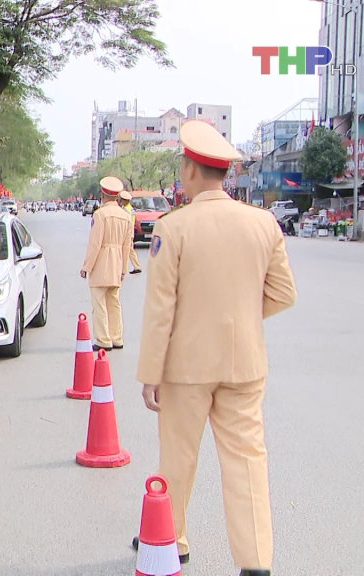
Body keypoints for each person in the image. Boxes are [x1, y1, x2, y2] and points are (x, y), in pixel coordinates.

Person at [134, 120, 297, 576]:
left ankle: (173, 539)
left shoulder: (173, 227)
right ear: (224, 173)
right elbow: (284, 293)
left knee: (178, 457)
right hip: (244, 362)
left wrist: (150, 373)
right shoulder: (264, 223)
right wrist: (241, 316)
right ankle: (255, 562)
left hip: (185, 366)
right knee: (247, 461)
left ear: (188, 170)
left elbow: (160, 309)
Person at [80, 176, 131, 352]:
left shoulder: (100, 214)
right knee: (114, 303)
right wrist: (123, 269)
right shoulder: (125, 216)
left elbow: (95, 244)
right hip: (117, 262)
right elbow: (127, 246)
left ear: (103, 195)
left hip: (101, 262)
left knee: (99, 304)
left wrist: (86, 266)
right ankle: (117, 337)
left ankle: (103, 339)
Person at [119, 191, 142, 274]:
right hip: (131, 230)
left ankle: (122, 269)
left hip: (126, 230)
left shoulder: (125, 209)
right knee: (130, 249)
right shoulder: (130, 208)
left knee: (124, 249)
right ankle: (137, 266)